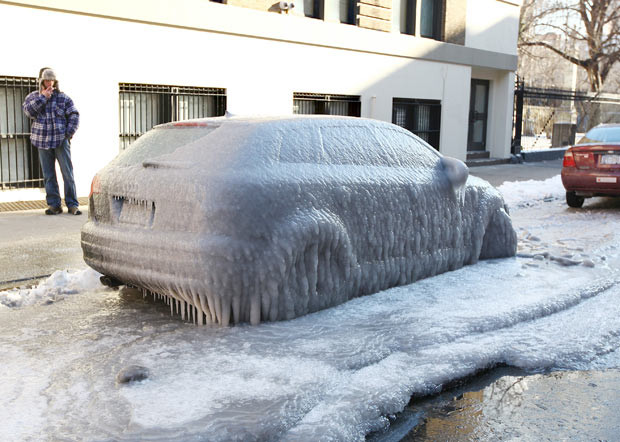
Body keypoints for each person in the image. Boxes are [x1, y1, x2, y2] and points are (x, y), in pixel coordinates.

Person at [23, 67, 81, 215]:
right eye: (46, 80)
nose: (49, 83)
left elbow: (74, 114)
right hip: (42, 141)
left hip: (60, 141)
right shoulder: (33, 97)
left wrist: (68, 134)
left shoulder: (63, 98)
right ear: (41, 81)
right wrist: (43, 98)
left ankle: (72, 204)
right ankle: (54, 205)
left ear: (56, 81)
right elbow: (29, 112)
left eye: (52, 80)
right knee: (49, 175)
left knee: (67, 173)